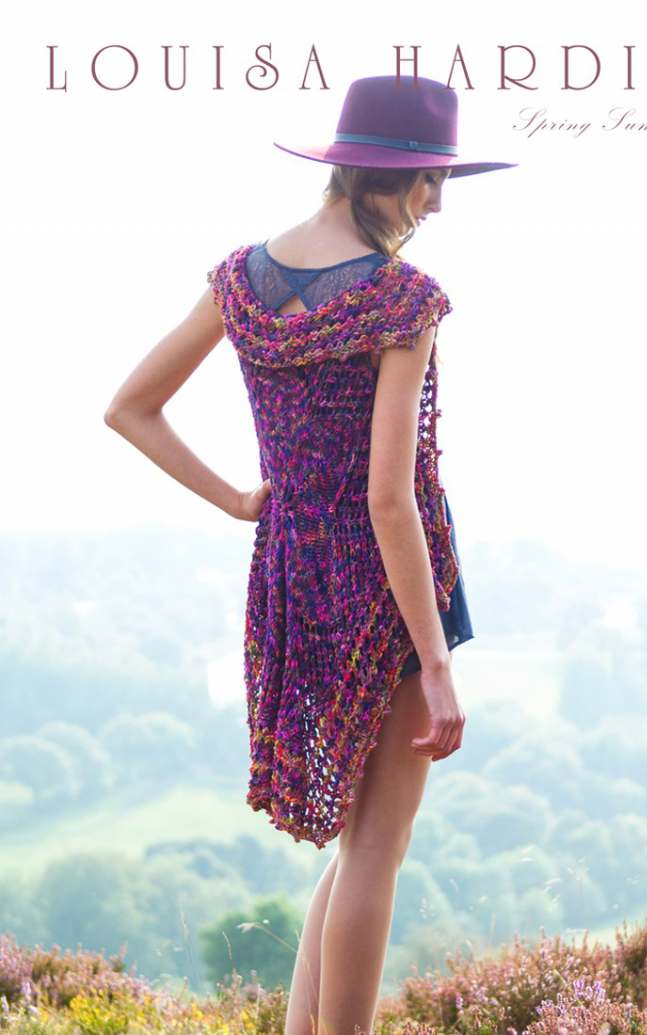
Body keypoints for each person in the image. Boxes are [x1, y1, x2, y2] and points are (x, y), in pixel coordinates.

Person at [104, 74, 517, 1035]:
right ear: (382, 176)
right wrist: (436, 662)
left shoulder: (241, 278)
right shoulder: (401, 299)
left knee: (355, 842)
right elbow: (389, 496)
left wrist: (241, 499)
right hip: (390, 583)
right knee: (377, 846)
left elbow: (130, 407)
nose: (437, 202)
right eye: (429, 180)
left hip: (293, 574)